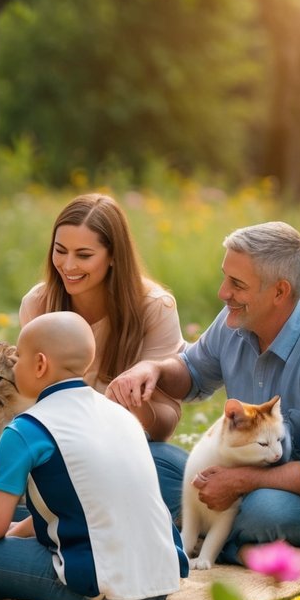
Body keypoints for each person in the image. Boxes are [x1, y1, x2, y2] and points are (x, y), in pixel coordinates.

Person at [107, 221, 300, 565]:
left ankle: (195, 535)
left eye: (237, 284)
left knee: (261, 511)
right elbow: (193, 373)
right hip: (246, 478)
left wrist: (239, 482)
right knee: (146, 459)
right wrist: (153, 368)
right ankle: (216, 539)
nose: (223, 292)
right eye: (225, 278)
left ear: (279, 292)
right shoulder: (236, 322)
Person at [0, 311, 189, 600]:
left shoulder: (26, 429)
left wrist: (2, 538)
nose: (15, 366)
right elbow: (89, 505)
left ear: (40, 364)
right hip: (161, 583)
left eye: (19, 358)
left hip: (99, 590)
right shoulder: (121, 415)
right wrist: (12, 535)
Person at [21, 193, 188, 509]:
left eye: (84, 255)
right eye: (60, 251)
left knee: (170, 468)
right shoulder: (39, 305)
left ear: (113, 256)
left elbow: (165, 424)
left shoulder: (154, 307)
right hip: (55, 450)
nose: (68, 266)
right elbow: (31, 402)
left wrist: (137, 404)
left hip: (126, 451)